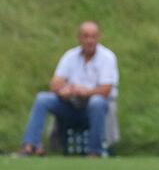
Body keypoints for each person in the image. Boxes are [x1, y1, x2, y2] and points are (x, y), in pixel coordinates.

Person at [18, 21, 118, 157]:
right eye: (86, 36)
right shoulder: (70, 56)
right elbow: (55, 84)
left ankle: (95, 151)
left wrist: (85, 91)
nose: (90, 40)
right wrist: (65, 91)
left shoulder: (107, 57)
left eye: (93, 36)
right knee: (43, 99)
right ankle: (30, 145)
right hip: (72, 106)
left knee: (97, 102)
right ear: (79, 38)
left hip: (94, 110)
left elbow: (106, 90)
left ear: (99, 37)